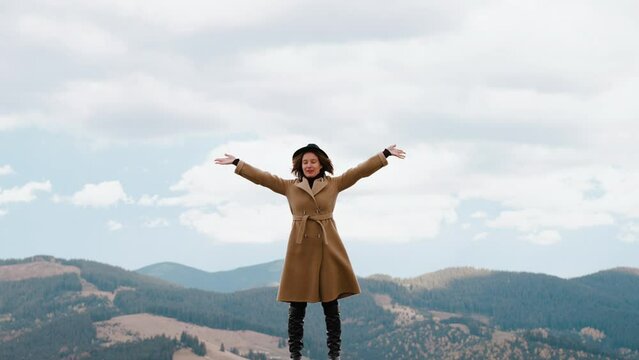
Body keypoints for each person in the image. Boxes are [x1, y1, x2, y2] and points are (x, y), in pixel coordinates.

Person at [215, 144, 406, 360]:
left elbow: (359, 172)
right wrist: (238, 163)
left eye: (313, 161)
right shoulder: (290, 186)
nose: (309, 165)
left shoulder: (334, 183)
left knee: (331, 305)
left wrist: (384, 155)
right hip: (300, 251)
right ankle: (295, 354)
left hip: (328, 247)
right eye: (305, 162)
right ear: (299, 165)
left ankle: (334, 354)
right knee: (296, 307)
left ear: (321, 163)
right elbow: (263, 178)